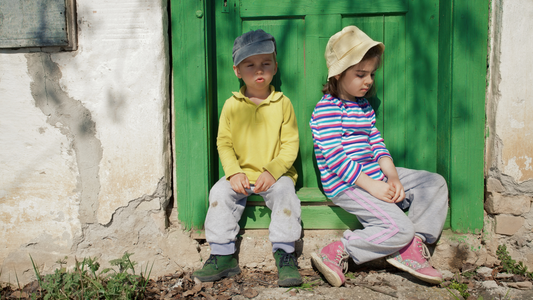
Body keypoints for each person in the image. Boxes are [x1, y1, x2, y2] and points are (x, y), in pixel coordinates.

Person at [309, 25, 449, 287]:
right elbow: (335, 158)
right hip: (348, 185)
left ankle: (412, 248)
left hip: (375, 175)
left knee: (435, 183)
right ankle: (338, 251)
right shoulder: (327, 110)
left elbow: (377, 144)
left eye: (372, 74)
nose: (369, 81)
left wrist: (392, 175)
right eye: (360, 74)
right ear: (338, 74)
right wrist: (372, 185)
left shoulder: (363, 107)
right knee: (398, 229)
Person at [192, 29, 303, 287]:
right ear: (237, 71)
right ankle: (222, 255)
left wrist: (273, 172)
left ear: (275, 66)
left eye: (266, 63)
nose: (259, 70)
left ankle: (285, 255)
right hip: (240, 174)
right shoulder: (232, 105)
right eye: (250, 64)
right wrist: (233, 172)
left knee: (286, 193)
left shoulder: (282, 103)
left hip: (275, 176)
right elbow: (224, 142)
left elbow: (290, 145)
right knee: (219, 194)